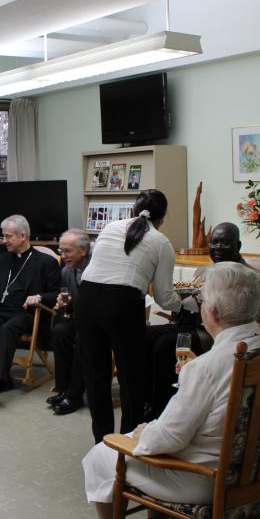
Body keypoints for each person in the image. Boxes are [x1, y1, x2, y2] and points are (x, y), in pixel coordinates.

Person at [82, 262, 260, 519]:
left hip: (211, 480)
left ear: (213, 312)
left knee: (100, 456)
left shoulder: (207, 369)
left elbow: (167, 439)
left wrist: (143, 432)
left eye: (201, 301)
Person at [77, 189, 185, 443]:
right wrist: (185, 303)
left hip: (87, 299)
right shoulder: (161, 242)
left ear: (133, 210)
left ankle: (102, 441)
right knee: (130, 376)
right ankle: (127, 441)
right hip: (122, 304)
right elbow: (164, 297)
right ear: (162, 218)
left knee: (96, 375)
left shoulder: (109, 227)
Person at [147, 222, 260, 417]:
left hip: (214, 333)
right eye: (214, 243)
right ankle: (146, 399)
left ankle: (162, 410)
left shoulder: (254, 278)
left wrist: (209, 305)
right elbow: (183, 310)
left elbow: (254, 319)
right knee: (144, 335)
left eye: (224, 243)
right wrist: (180, 301)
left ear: (238, 246)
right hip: (191, 324)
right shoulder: (202, 272)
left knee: (165, 346)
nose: (218, 248)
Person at [0, 214, 61, 409]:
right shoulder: (2, 261)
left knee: (8, 328)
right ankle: (0, 377)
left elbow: (55, 294)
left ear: (22, 236)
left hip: (28, 314)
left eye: (8, 236)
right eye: (3, 236)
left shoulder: (45, 262)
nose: (4, 240)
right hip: (0, 311)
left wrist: (39, 297)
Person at [45, 229, 91, 416]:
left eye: (68, 251)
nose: (63, 256)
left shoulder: (96, 269)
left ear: (84, 250)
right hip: (80, 319)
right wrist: (66, 303)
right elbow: (71, 304)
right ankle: (64, 388)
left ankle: (75, 395)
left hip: (98, 322)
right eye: (61, 251)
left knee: (82, 338)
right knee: (59, 331)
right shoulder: (65, 271)